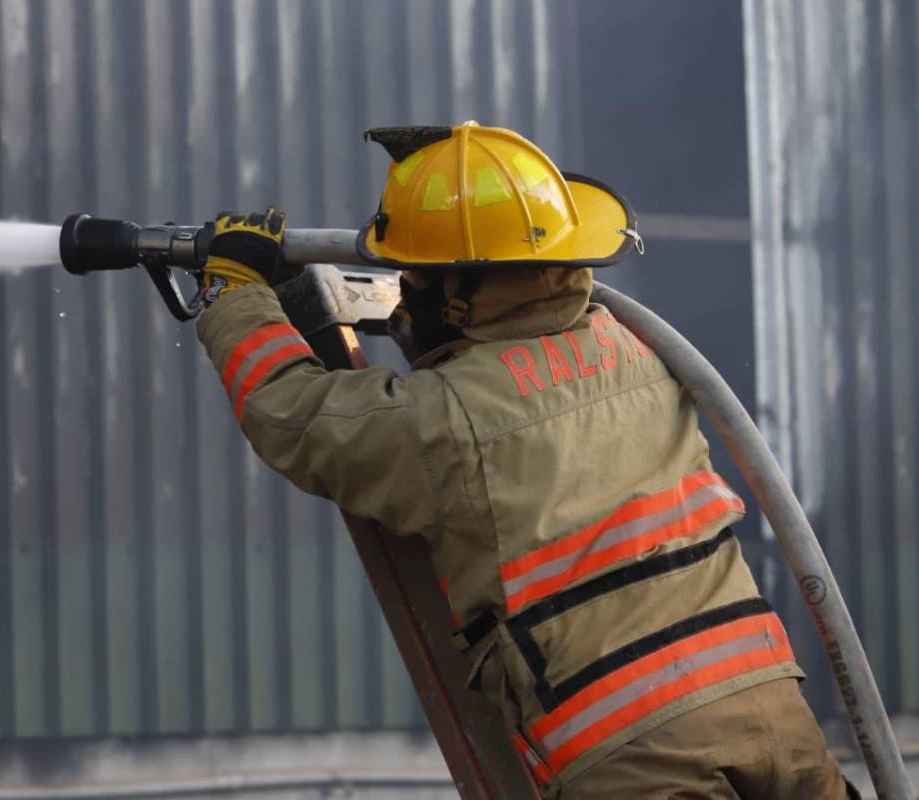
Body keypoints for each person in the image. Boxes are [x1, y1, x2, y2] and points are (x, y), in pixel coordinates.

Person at [195, 123, 856, 798]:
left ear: (460, 287)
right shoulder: (640, 347)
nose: (406, 287)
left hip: (637, 755)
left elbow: (293, 416)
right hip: (773, 711)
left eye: (416, 273)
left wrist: (238, 292)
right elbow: (496, 358)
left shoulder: (447, 421)